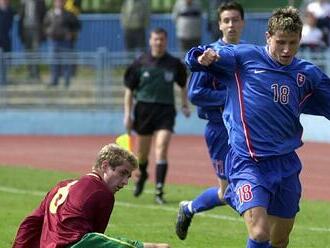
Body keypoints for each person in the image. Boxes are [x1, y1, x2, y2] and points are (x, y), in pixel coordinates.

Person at [186, 6, 330, 248]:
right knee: (260, 232)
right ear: (268, 37)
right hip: (247, 162)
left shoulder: (307, 74)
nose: (286, 50)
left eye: (293, 43)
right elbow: (200, 56)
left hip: (286, 163)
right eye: (280, 42)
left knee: (279, 240)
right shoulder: (243, 58)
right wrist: (200, 57)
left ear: (300, 40)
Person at [175, 1, 245, 240]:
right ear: (219, 25)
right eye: (226, 20)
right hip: (219, 131)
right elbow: (195, 94)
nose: (231, 25)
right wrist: (229, 96)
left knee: (250, 184)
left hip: (246, 130)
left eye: (235, 20)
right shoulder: (208, 54)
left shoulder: (249, 53)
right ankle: (189, 208)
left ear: (242, 23)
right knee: (227, 193)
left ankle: (261, 231)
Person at [12, 143, 170, 248]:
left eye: (128, 177)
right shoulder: (101, 192)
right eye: (122, 173)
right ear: (105, 166)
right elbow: (91, 240)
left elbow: (30, 224)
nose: (125, 182)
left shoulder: (61, 186)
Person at [123, 27, 190, 204]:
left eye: (162, 39)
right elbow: (129, 90)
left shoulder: (174, 63)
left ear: (166, 41)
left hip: (165, 111)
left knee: (161, 147)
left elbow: (183, 84)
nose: (158, 42)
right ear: (150, 41)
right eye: (155, 39)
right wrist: (127, 115)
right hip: (143, 111)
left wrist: (184, 104)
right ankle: (143, 173)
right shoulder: (140, 62)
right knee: (142, 155)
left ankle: (159, 190)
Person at [43, 0, 80, 87]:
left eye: (60, 1)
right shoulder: (50, 14)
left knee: (66, 62)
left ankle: (66, 81)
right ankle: (54, 80)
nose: (58, 3)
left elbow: (77, 26)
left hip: (65, 42)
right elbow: (45, 25)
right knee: (54, 61)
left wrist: (71, 34)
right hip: (53, 41)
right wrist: (49, 33)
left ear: (63, 3)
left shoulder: (69, 14)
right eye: (57, 1)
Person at [18, 0, 47, 80]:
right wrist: (20, 33)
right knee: (27, 52)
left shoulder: (40, 2)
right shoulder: (23, 2)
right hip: (25, 30)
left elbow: (44, 17)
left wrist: (43, 33)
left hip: (37, 30)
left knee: (36, 52)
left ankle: (36, 73)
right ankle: (30, 73)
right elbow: (20, 17)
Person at [0, 0, 14, 85]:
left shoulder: (10, 11)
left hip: (5, 40)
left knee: (5, 61)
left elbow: (9, 25)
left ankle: (3, 79)